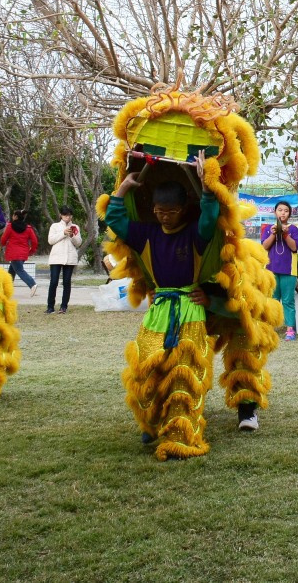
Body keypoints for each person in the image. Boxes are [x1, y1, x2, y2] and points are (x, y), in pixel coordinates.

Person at [105, 166, 222, 458]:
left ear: (183, 209)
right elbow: (115, 220)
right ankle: (151, 422)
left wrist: (206, 184)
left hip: (190, 310)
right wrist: (123, 189)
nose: (163, 216)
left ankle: (180, 433)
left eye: (170, 211)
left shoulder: (196, 234)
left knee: (184, 374)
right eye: (158, 210)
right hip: (159, 310)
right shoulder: (146, 233)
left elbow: (210, 218)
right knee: (147, 368)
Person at [260, 201, 298, 339]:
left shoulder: (294, 230)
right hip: (271, 270)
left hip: (288, 270)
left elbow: (294, 247)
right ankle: (270, 328)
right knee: (272, 300)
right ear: (275, 212)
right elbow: (264, 246)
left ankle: (290, 329)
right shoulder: (267, 228)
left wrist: (285, 234)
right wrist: (273, 233)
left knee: (288, 300)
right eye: (280, 210)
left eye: (286, 210)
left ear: (289, 214)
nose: (283, 213)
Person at [46, 205, 82, 314]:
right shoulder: (55, 226)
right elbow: (51, 240)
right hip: (56, 257)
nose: (68, 217)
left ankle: (64, 306)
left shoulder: (75, 227)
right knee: (54, 281)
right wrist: (63, 233)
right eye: (65, 215)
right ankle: (50, 306)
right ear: (61, 215)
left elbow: (78, 243)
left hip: (70, 258)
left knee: (67, 282)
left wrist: (72, 236)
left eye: (70, 215)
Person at [1, 210, 39, 297]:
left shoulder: (10, 226)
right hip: (23, 253)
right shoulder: (28, 228)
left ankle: (32, 284)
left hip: (13, 253)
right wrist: (31, 251)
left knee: (19, 270)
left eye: (13, 215)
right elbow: (34, 241)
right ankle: (7, 290)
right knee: (12, 271)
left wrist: (3, 244)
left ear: (15, 217)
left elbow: (4, 239)